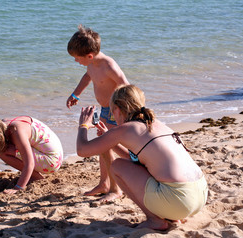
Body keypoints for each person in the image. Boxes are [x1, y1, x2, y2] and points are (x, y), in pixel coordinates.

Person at [77, 85, 208, 230]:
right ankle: (171, 216)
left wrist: (83, 125)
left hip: (178, 200)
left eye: (113, 114)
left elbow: (82, 150)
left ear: (117, 110)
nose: (114, 118)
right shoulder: (156, 123)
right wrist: (111, 141)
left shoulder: (126, 128)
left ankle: (154, 220)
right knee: (139, 168)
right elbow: (139, 161)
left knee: (117, 166)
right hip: (199, 194)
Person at [66, 25, 130, 202]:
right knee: (104, 147)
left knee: (107, 145)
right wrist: (75, 94)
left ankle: (115, 189)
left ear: (89, 56)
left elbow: (126, 85)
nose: (76, 62)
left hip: (115, 111)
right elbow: (87, 77)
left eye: (77, 59)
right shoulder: (92, 64)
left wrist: (121, 110)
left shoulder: (108, 65)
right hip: (105, 110)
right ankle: (104, 183)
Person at [0, 115, 63, 194]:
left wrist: (18, 188)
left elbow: (29, 163)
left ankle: (36, 177)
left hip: (52, 161)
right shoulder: (1, 126)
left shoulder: (17, 132)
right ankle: (32, 175)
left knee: (1, 150)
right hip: (46, 152)